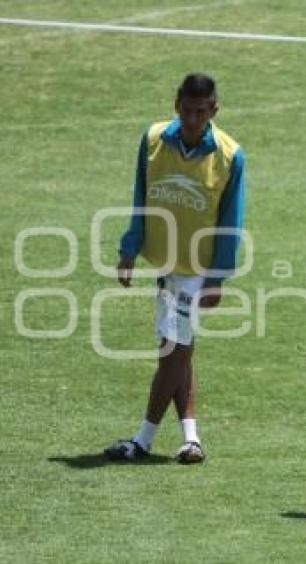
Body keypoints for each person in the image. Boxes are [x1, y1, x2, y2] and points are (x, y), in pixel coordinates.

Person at [105, 73, 246, 464]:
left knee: (173, 353)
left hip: (197, 271)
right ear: (176, 105)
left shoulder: (230, 155)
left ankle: (142, 440)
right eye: (187, 111)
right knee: (179, 352)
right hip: (167, 266)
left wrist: (217, 279)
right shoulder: (153, 142)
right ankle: (191, 440)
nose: (193, 119)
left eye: (201, 112)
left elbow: (231, 222)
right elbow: (140, 197)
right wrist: (129, 248)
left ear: (214, 110)